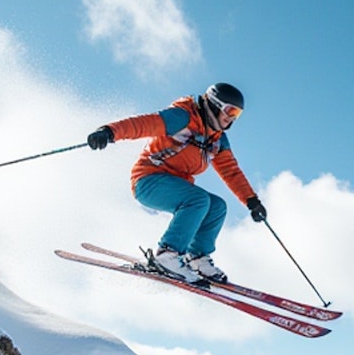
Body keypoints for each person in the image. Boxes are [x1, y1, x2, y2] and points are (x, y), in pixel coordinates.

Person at [87, 82, 267, 285]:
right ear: (215, 105)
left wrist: (251, 201)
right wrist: (109, 132)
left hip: (176, 186)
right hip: (148, 181)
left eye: (238, 114)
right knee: (198, 200)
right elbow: (145, 124)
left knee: (217, 206)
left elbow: (231, 172)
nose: (231, 118)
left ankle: (197, 257)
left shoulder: (218, 140)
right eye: (230, 111)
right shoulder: (183, 117)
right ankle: (168, 256)